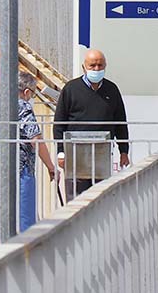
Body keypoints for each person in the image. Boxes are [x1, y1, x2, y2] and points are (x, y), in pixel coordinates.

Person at [0, 71, 56, 241]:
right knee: (24, 212)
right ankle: (25, 251)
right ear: (26, 92)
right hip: (21, 167)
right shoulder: (23, 107)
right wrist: (50, 166)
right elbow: (35, 139)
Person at [52, 49, 130, 200]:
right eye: (92, 65)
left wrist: (124, 150)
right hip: (75, 152)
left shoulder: (112, 89)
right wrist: (61, 152)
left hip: (102, 153)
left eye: (100, 65)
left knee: (101, 198)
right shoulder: (71, 89)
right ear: (84, 67)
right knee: (75, 198)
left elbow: (120, 121)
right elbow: (59, 123)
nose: (96, 69)